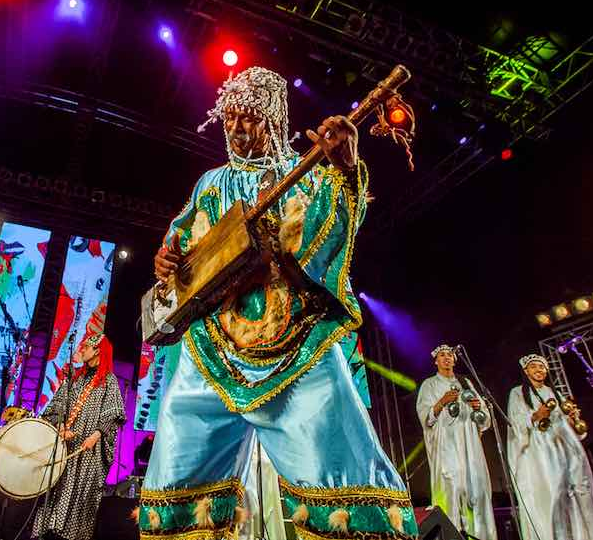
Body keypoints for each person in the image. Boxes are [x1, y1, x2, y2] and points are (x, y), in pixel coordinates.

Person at [137, 67, 416, 540]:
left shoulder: (305, 171)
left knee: (342, 473)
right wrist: (167, 259)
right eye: (230, 118)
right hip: (211, 348)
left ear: (273, 119)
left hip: (296, 343)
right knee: (177, 485)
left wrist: (345, 169)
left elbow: (332, 235)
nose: (236, 128)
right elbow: (181, 247)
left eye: (249, 117)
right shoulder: (210, 183)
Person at [32, 333, 126, 540]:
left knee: (78, 493)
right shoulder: (74, 378)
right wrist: (61, 426)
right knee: (56, 489)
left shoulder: (109, 381)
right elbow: (56, 406)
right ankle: (47, 531)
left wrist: (95, 436)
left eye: (86, 347)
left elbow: (114, 414)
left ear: (98, 351)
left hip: (88, 449)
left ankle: (71, 535)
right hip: (65, 445)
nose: (81, 350)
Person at [507, 353, 593, 540]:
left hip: (563, 449)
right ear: (526, 371)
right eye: (534, 366)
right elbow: (516, 422)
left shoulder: (555, 393)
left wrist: (572, 419)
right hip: (540, 451)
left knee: (575, 493)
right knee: (552, 494)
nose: (539, 370)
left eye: (542, 367)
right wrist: (536, 415)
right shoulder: (518, 393)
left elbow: (566, 425)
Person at [415, 344, 495, 539]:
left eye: (450, 355)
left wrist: (478, 407)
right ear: (436, 361)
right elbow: (425, 417)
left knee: (475, 490)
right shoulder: (429, 384)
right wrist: (442, 402)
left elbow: (484, 420)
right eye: (442, 355)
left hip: (469, 444)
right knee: (451, 488)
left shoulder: (465, 382)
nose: (447, 358)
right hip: (446, 444)